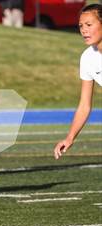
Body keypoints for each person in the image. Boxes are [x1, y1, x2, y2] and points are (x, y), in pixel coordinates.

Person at [54, 4, 102, 159]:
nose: (84, 30)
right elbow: (84, 104)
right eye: (81, 26)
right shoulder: (87, 58)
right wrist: (70, 137)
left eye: (89, 24)